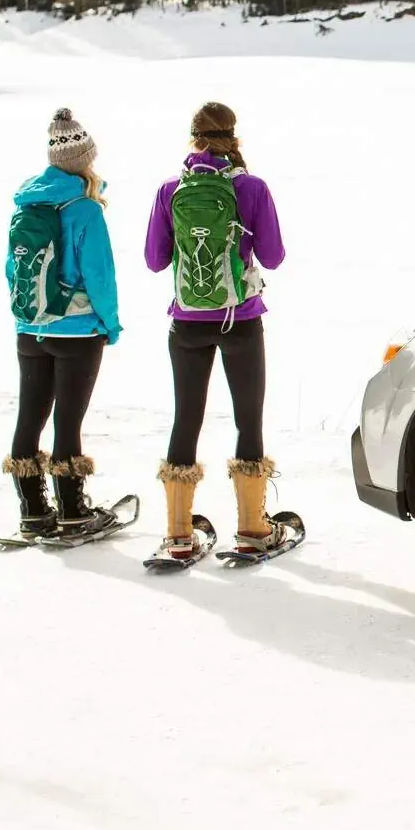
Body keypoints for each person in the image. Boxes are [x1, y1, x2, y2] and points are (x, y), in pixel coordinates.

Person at [144, 101, 291, 562]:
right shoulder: (251, 188)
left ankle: (178, 534)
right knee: (248, 420)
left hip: (187, 322)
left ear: (194, 139)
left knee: (185, 419)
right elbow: (273, 256)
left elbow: (155, 260)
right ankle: (251, 529)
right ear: (234, 137)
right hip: (241, 320)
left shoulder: (171, 190)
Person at [3, 108, 124, 539]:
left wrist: (26, 317)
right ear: (85, 160)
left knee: (28, 418)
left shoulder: (27, 204)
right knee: (67, 422)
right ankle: (74, 513)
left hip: (30, 328)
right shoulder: (85, 210)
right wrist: (109, 324)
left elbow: (10, 269)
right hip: (76, 331)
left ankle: (34, 512)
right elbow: (100, 276)